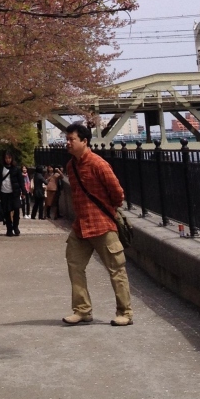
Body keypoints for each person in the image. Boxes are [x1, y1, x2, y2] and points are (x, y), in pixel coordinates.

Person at [62, 123, 133, 327]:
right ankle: (82, 310)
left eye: (71, 139)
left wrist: (107, 208)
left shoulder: (98, 164)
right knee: (74, 265)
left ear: (84, 141)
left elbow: (118, 194)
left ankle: (125, 312)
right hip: (81, 226)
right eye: (67, 139)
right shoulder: (71, 166)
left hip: (102, 224)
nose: (68, 143)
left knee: (116, 269)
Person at [0, 148, 23, 236]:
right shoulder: (1, 168)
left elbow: (21, 181)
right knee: (7, 211)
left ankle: (15, 227)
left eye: (9, 158)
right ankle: (9, 228)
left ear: (12, 158)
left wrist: (23, 191)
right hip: (4, 192)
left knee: (16, 209)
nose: (8, 160)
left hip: (14, 192)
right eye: (6, 158)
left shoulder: (16, 168)